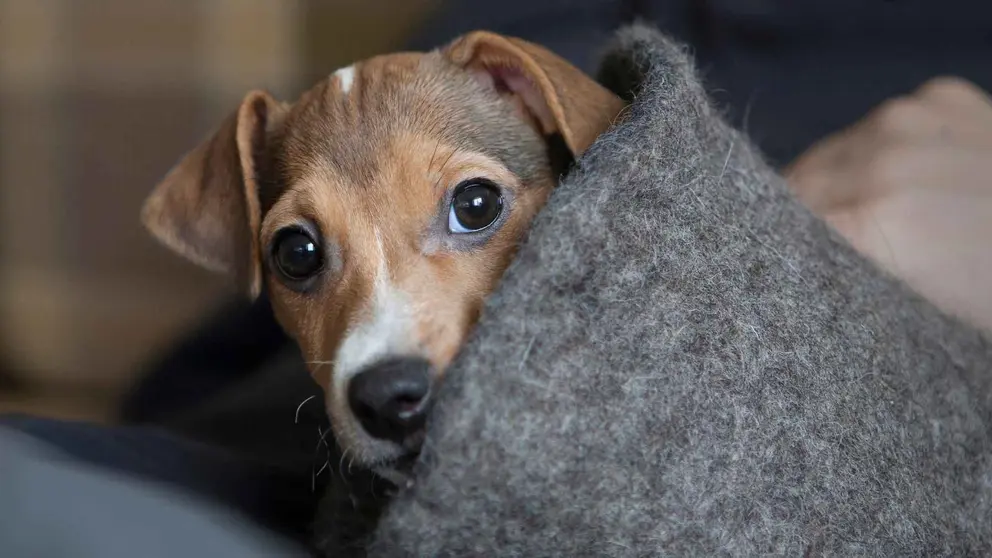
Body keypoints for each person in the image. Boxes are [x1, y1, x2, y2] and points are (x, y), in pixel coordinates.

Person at [3, 1, 992, 554]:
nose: (383, 337)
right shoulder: (475, 39)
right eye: (303, 253)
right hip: (255, 459)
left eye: (469, 208)